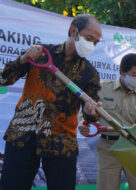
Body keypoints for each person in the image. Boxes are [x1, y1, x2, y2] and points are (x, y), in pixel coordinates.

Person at [0, 14, 102, 190]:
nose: (92, 45)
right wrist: (23, 59)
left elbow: (91, 115)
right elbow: (3, 79)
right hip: (23, 135)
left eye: (96, 42)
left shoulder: (90, 73)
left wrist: (91, 113)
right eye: (90, 38)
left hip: (61, 142)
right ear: (73, 31)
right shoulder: (40, 53)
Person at [78, 53, 136, 190]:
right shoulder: (101, 89)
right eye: (135, 74)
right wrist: (83, 124)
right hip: (108, 148)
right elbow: (85, 110)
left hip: (134, 148)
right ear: (122, 71)